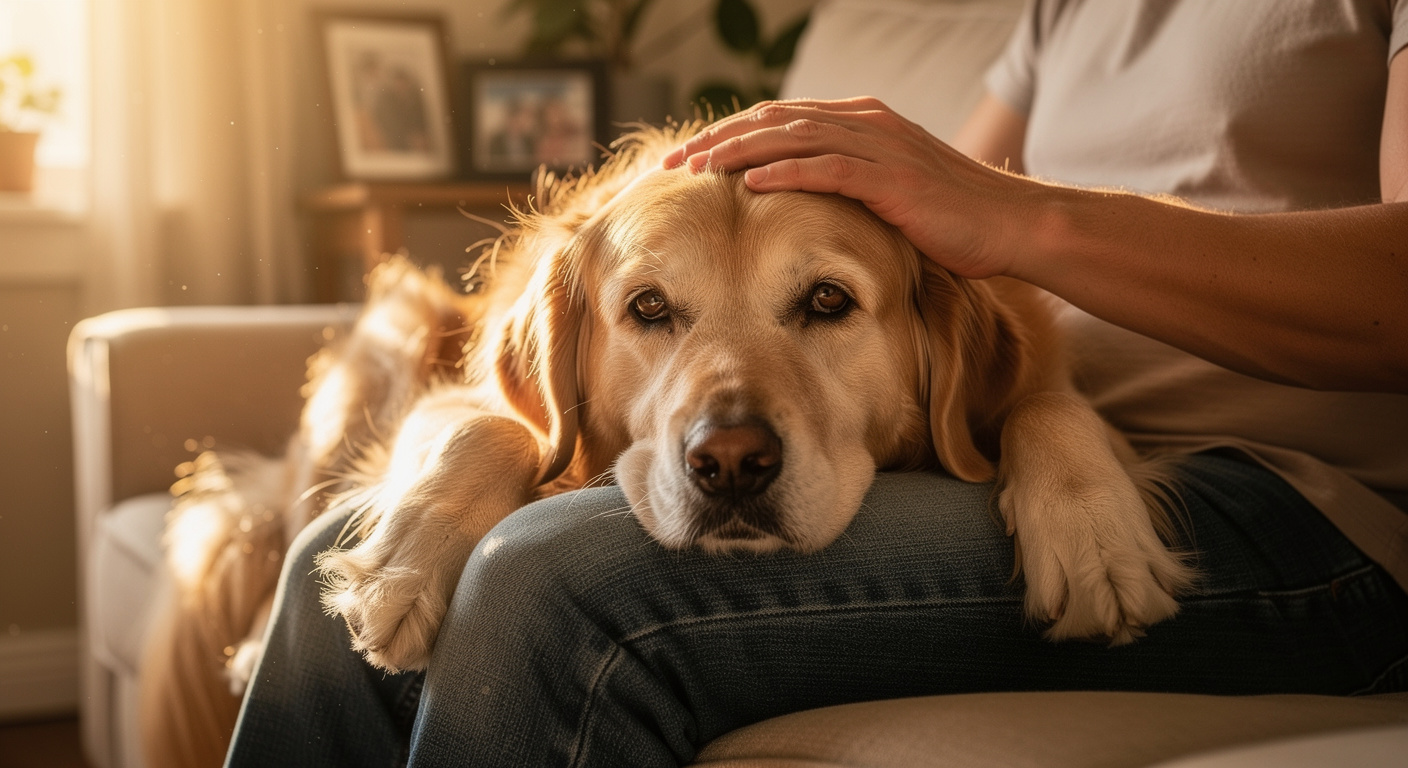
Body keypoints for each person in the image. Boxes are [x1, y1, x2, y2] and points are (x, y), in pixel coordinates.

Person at [226, 2, 1408, 766]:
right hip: (1027, 446)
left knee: (553, 585)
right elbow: (890, 238)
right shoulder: (1063, 7)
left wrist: (1027, 244)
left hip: (1305, 511)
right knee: (343, 545)